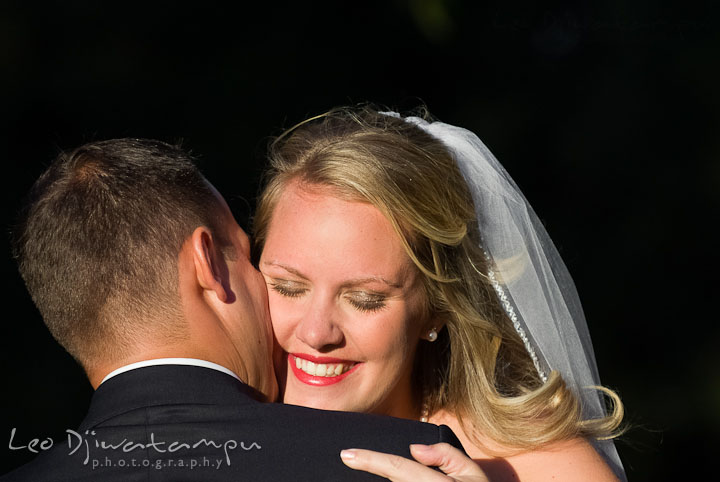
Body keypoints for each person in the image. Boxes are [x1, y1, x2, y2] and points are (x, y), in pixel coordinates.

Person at [3, 138, 464, 481]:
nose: (317, 332)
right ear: (208, 264)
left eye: (364, 298)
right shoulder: (403, 465)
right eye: (280, 281)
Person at [252, 106, 626, 481]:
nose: (317, 333)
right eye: (289, 288)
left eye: (365, 299)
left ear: (436, 308)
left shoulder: (540, 468)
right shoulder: (211, 434)